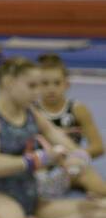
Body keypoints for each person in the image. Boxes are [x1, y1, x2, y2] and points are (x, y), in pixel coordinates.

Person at [0, 57, 106, 218]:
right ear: (8, 83)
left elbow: (61, 140)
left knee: (100, 211)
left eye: (39, 86)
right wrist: (39, 159)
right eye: (32, 86)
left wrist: (78, 156)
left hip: (31, 198)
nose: (38, 93)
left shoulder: (30, 112)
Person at [36, 53, 103, 199]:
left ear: (66, 84)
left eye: (56, 83)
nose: (51, 89)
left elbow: (98, 146)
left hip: (72, 168)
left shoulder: (78, 110)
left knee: (94, 182)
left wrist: (78, 155)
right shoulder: (32, 111)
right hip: (41, 169)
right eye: (45, 83)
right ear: (35, 85)